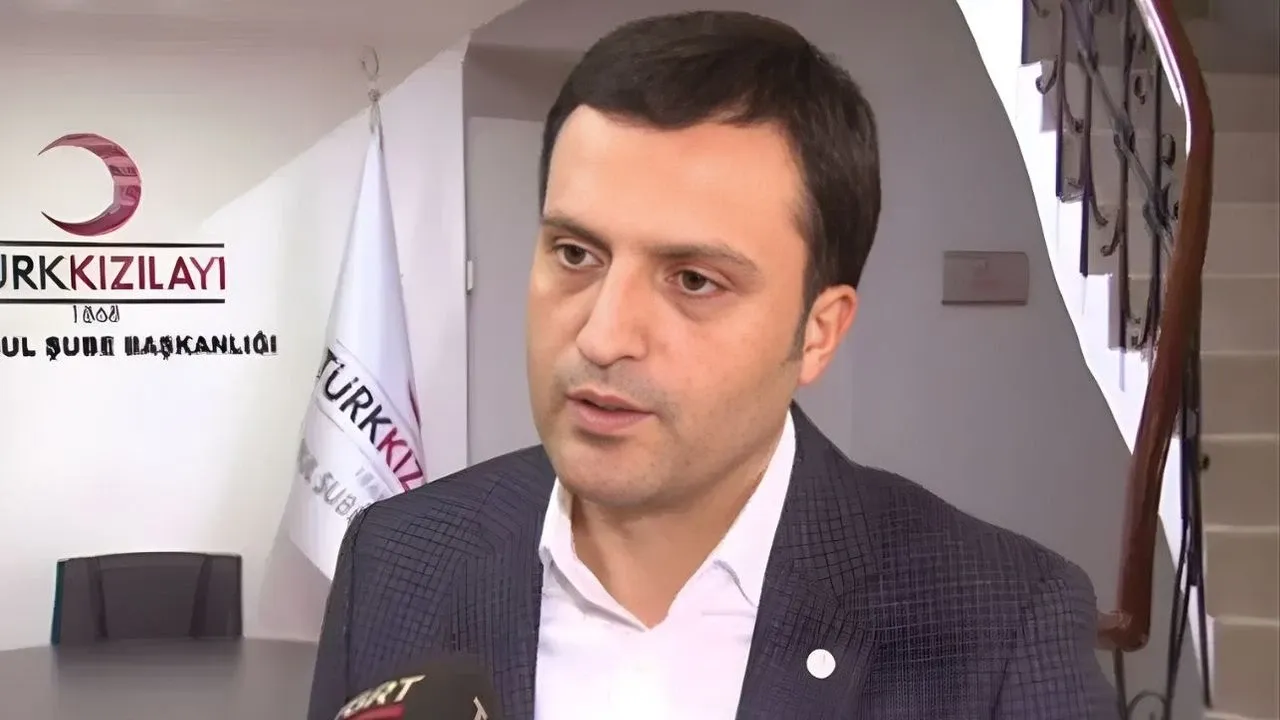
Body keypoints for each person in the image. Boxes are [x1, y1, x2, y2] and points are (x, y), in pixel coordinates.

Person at [307, 10, 1116, 720]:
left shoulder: (999, 623)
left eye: (694, 280)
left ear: (819, 332)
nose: (602, 336)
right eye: (577, 253)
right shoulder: (396, 561)